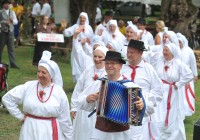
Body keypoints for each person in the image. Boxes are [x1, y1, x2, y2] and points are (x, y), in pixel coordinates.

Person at [2, 51, 73, 140]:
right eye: (38, 71)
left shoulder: (59, 92)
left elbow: (65, 119)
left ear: (51, 74)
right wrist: (20, 116)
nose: (40, 75)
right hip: (29, 129)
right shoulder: (29, 86)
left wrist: (69, 137)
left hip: (49, 131)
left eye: (44, 72)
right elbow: (7, 98)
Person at [79, 51, 145, 140]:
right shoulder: (98, 83)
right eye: (107, 63)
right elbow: (80, 101)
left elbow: (139, 112)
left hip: (121, 133)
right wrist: (87, 99)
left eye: (113, 63)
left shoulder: (130, 86)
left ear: (121, 66)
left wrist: (141, 105)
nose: (109, 65)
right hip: (100, 132)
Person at [121, 39, 163, 140]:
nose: (129, 55)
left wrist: (145, 102)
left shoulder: (148, 69)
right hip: (122, 112)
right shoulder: (122, 67)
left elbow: (158, 91)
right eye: (128, 52)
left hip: (141, 114)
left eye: (132, 52)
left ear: (140, 53)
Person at [150, 43, 193, 140]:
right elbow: (150, 57)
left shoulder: (178, 63)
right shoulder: (159, 60)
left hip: (171, 92)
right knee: (157, 113)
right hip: (159, 91)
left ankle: (170, 135)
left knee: (170, 114)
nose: (164, 52)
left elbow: (189, 75)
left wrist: (179, 84)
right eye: (164, 50)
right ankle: (156, 134)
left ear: (172, 52)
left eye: (166, 50)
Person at [71, 46, 108, 140]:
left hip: (100, 114)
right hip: (84, 111)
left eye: (100, 57)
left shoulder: (108, 73)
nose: (97, 59)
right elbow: (78, 89)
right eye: (95, 56)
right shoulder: (88, 70)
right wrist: (74, 107)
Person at [61, 12, 94, 82]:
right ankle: (78, 82)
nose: (82, 19)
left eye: (84, 18)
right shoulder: (75, 26)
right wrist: (64, 28)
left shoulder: (89, 27)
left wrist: (86, 41)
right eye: (81, 18)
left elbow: (92, 38)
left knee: (87, 63)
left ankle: (86, 81)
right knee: (78, 64)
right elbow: (67, 33)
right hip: (77, 47)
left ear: (86, 19)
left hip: (86, 48)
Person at [177, 33, 198, 117]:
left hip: (187, 75)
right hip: (178, 76)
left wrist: (195, 74)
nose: (179, 44)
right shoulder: (176, 50)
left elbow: (193, 64)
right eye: (177, 42)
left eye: (180, 42)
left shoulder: (189, 51)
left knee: (187, 95)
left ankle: (186, 111)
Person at [0, 0, 19, 69]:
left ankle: (13, 64)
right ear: (3, 5)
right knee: (0, 48)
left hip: (10, 32)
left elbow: (16, 22)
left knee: (11, 49)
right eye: (5, 4)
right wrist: (4, 23)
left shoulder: (12, 12)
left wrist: (12, 21)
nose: (7, 5)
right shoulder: (0, 12)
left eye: (8, 4)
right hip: (3, 32)